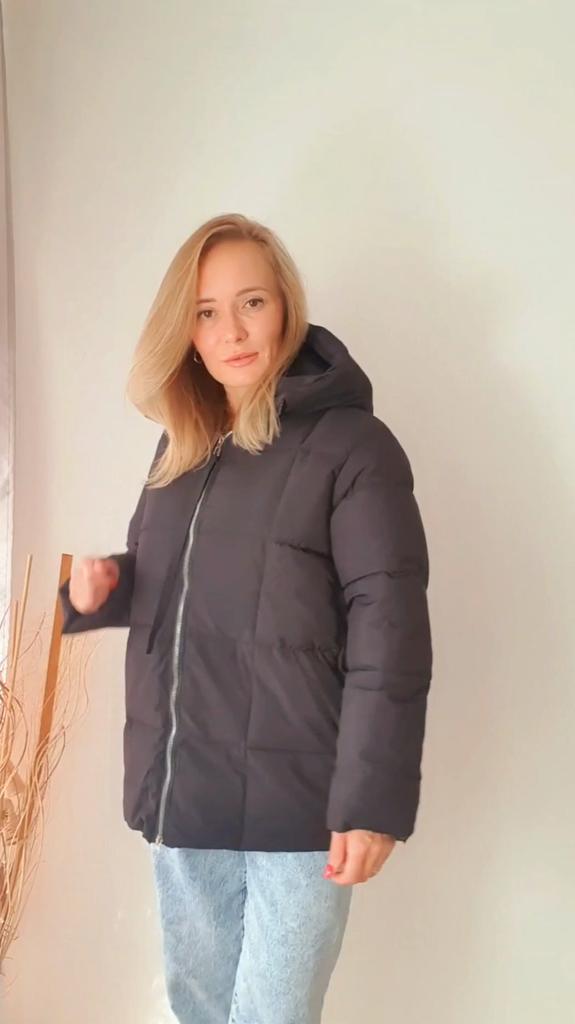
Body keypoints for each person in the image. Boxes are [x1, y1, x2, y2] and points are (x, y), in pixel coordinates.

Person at [59, 212, 433, 1024]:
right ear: (185, 332)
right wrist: (101, 593)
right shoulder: (182, 446)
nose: (230, 331)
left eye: (251, 303)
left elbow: (390, 628)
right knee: (196, 1012)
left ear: (285, 307)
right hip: (184, 794)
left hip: (297, 810)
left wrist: (370, 800)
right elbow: (178, 584)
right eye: (205, 312)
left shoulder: (355, 448)